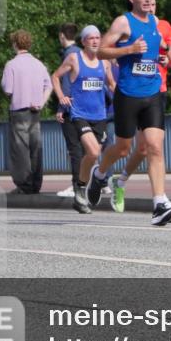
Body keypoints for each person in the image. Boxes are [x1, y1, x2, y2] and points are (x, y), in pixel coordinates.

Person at [87, 0, 171, 226]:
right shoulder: (123, 22)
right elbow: (100, 51)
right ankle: (99, 173)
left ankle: (159, 203)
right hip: (128, 94)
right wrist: (129, 49)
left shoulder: (156, 24)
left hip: (153, 93)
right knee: (123, 148)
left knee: (154, 147)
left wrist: (166, 53)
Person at [52, 25, 115, 214]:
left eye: (98, 38)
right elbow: (55, 76)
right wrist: (61, 96)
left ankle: (82, 186)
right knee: (93, 152)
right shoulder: (74, 58)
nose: (95, 41)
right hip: (79, 114)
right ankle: (81, 187)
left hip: (100, 116)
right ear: (84, 41)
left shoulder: (104, 62)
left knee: (93, 155)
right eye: (91, 38)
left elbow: (112, 84)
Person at [0, 30, 52, 195]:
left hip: (19, 110)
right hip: (35, 111)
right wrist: (41, 102)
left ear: (15, 44)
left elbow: (8, 89)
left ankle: (24, 185)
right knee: (35, 147)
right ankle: (36, 183)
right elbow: (49, 86)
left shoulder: (11, 65)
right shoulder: (39, 64)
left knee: (20, 149)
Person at [54, 23, 84, 198]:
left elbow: (66, 83)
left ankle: (76, 185)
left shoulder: (69, 55)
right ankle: (88, 183)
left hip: (72, 108)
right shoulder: (82, 52)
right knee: (87, 147)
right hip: (87, 106)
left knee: (74, 149)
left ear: (62, 36)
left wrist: (62, 107)